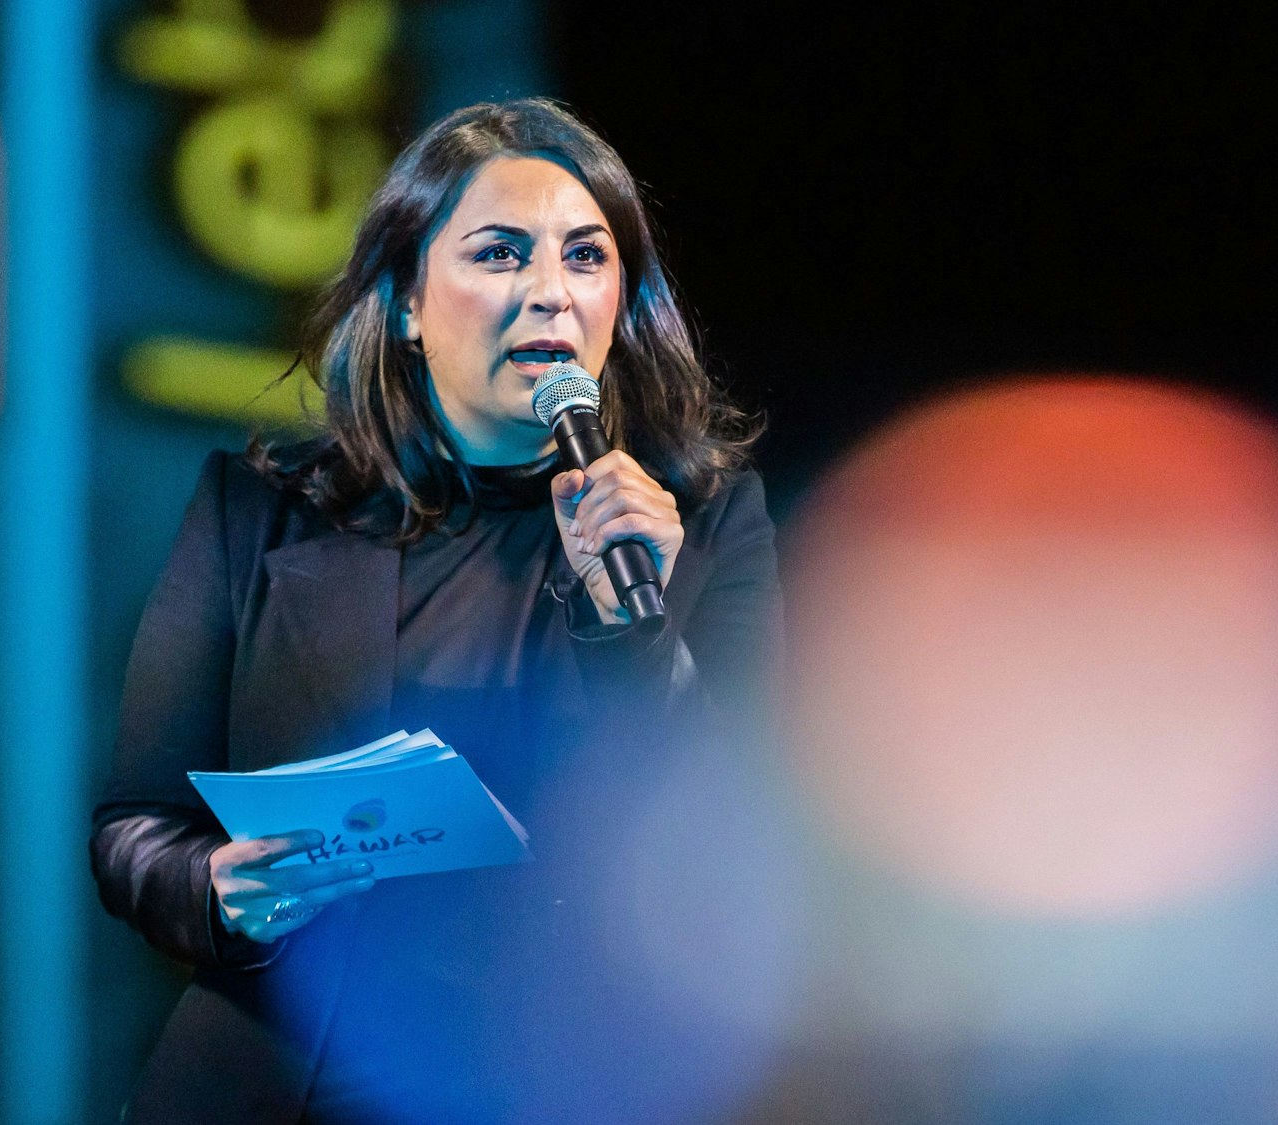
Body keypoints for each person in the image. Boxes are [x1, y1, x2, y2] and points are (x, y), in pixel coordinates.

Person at [90, 98, 782, 1124]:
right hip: (288, 1079)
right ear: (408, 300)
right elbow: (131, 828)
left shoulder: (699, 523)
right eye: (500, 255)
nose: (550, 293)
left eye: (585, 258)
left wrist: (635, 626)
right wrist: (218, 894)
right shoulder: (263, 514)